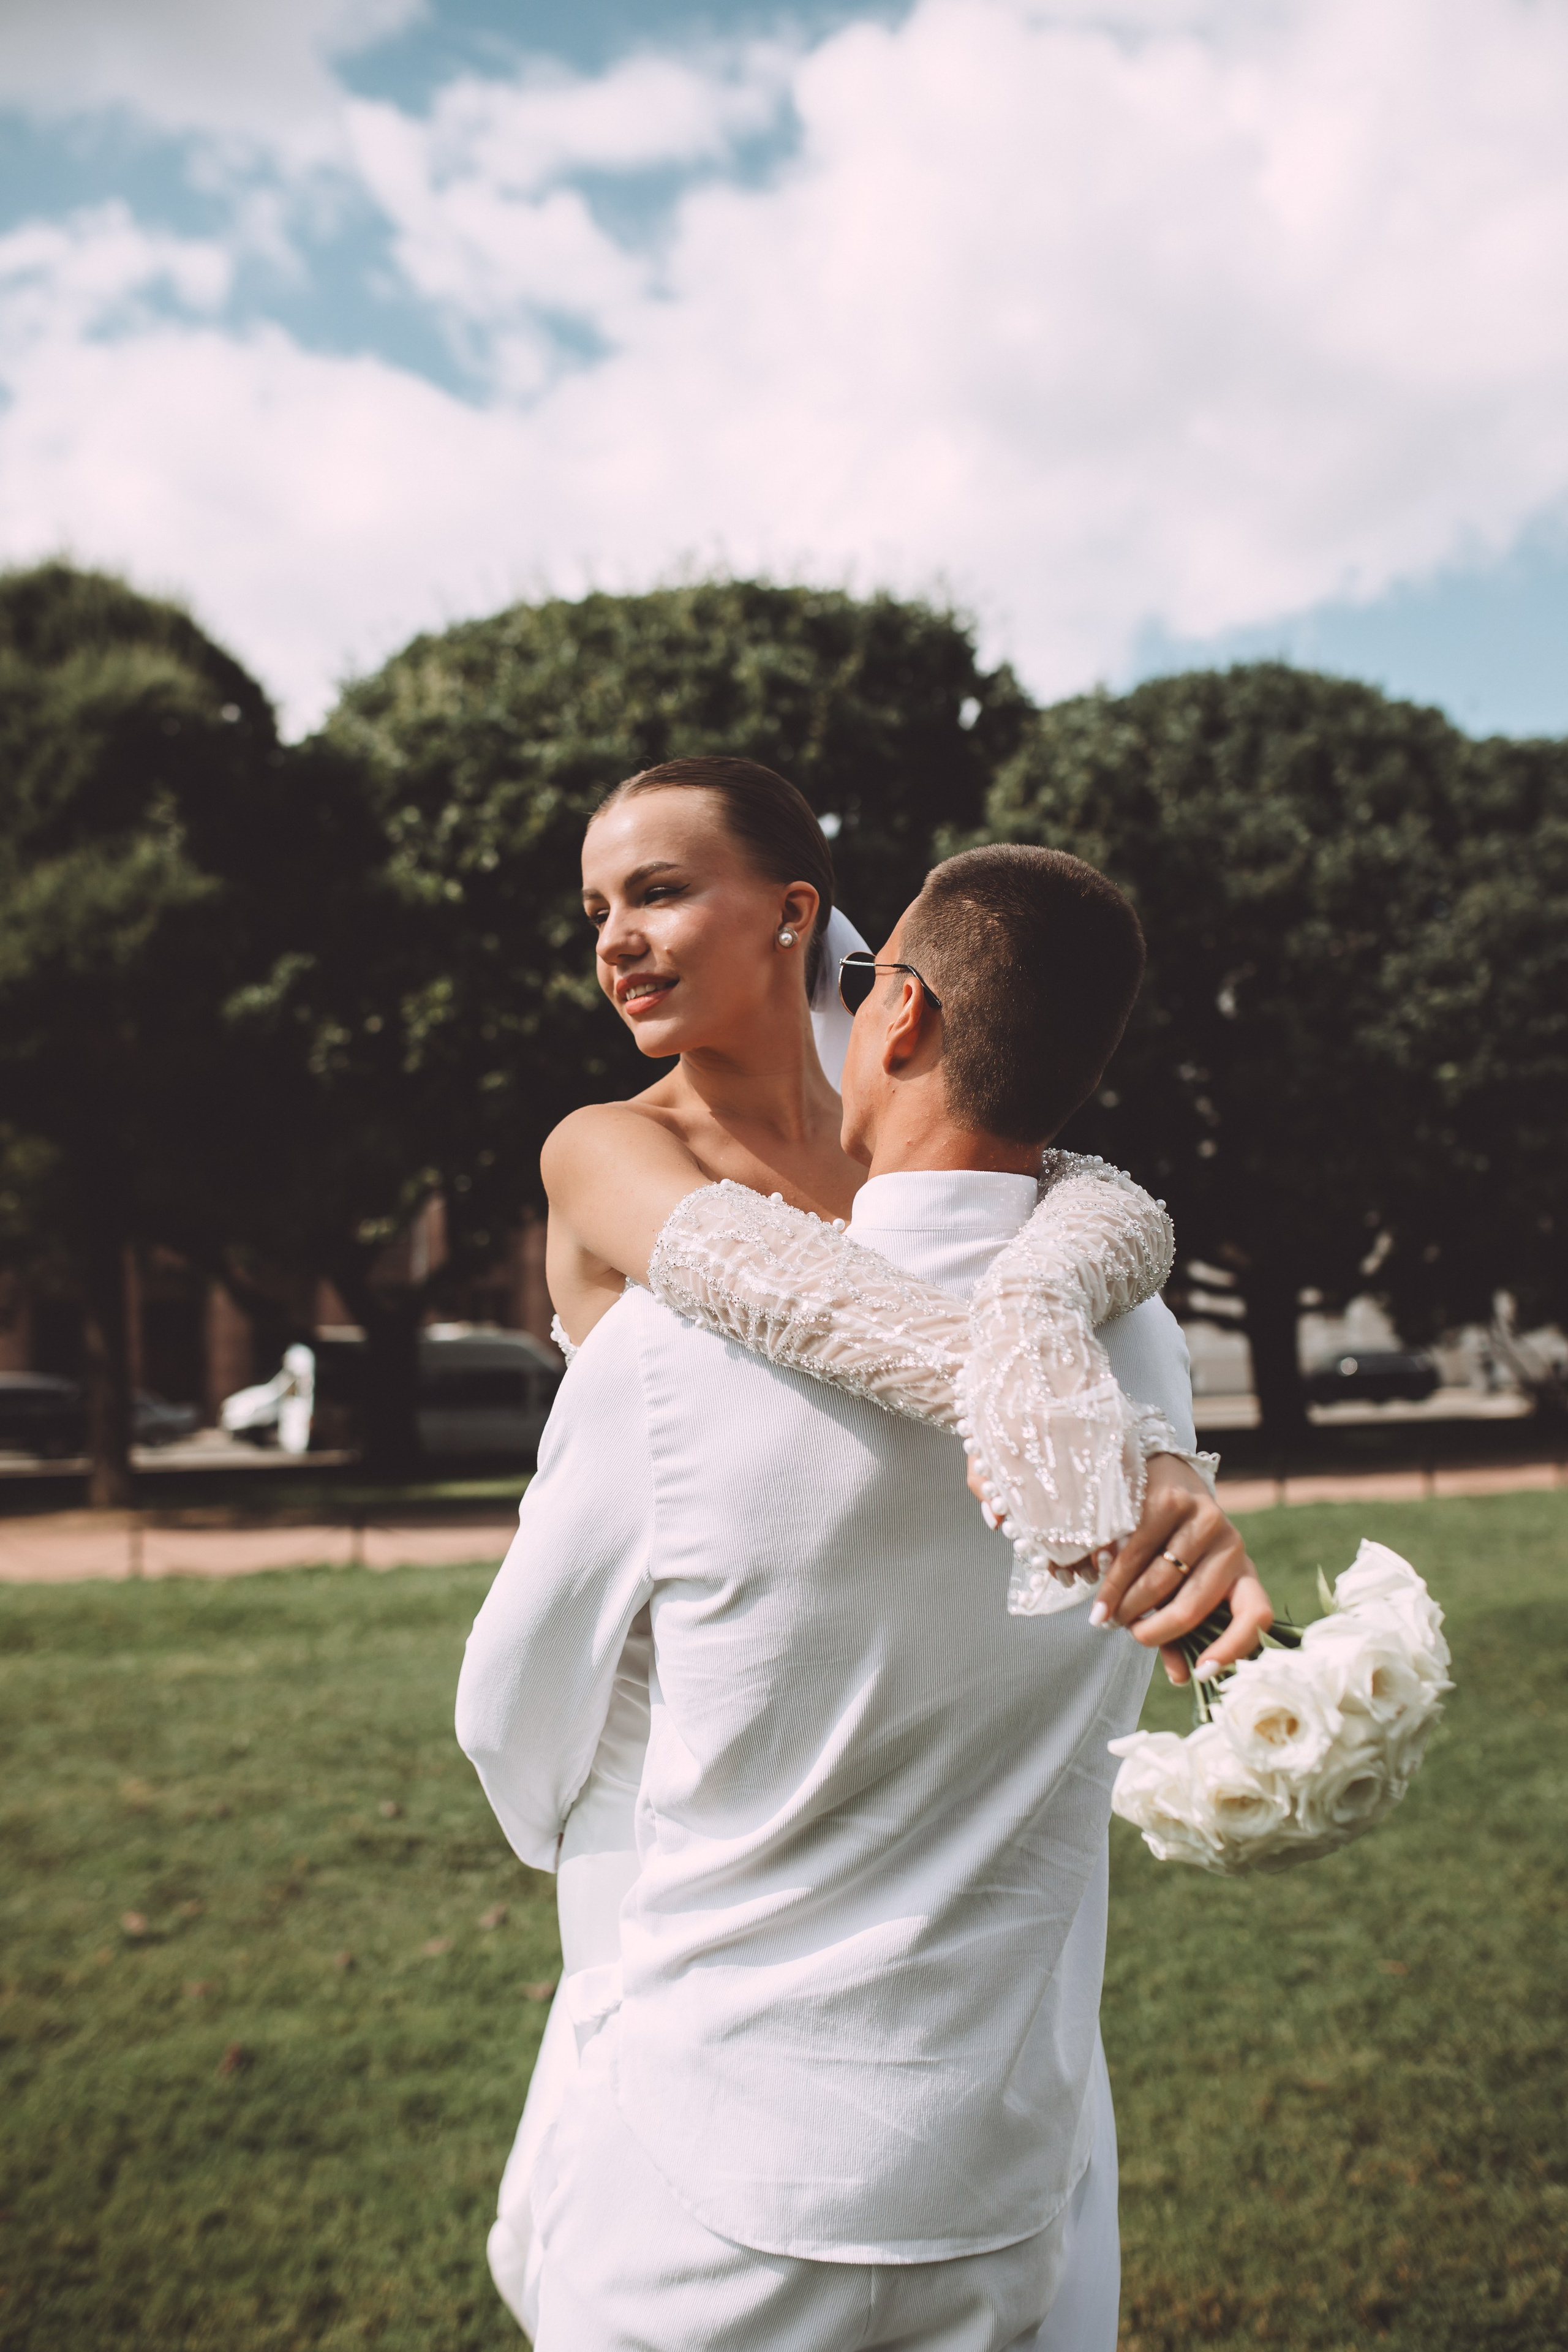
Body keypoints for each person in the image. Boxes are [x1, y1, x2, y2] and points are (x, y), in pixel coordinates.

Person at [458, 762, 1270, 2347]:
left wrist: (1146, 1438)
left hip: (928, 1703)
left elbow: (1098, 1206)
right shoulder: (612, 1151)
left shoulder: (917, 1105)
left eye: (661, 890)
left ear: (799, 916)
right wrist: (1118, 1440)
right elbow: (828, 1309)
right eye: (597, 909)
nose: (618, 937)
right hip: (688, 1735)